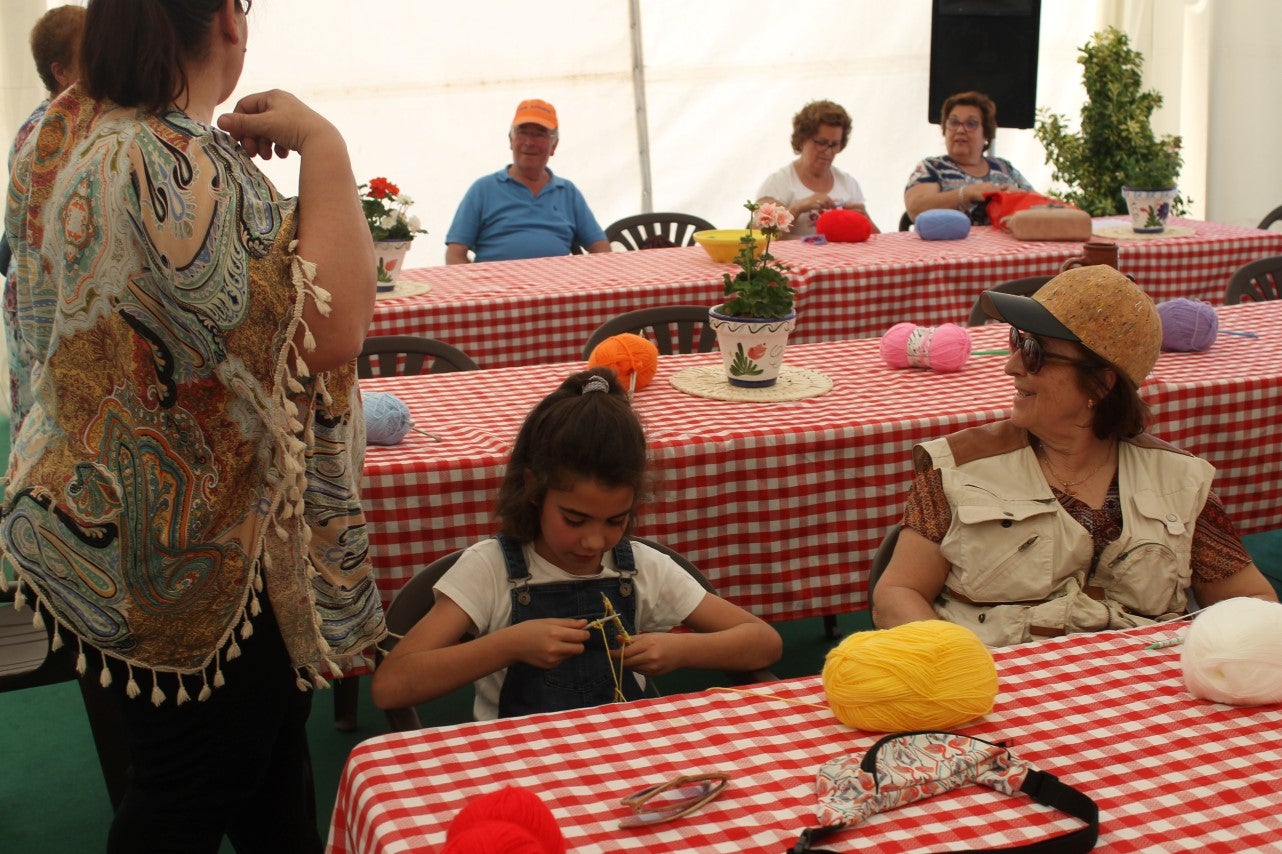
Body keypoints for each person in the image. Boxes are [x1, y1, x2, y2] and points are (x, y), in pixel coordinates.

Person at [2, 1, 386, 851]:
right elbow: (332, 329)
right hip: (190, 554)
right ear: (226, 22)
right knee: (192, 788)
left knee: (262, 768)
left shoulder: (69, 128)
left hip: (106, 520)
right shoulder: (168, 159)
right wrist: (324, 144)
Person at [871, 265, 1278, 646]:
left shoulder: (1180, 482)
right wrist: (954, 663)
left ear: (1100, 384)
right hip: (991, 679)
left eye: (1034, 352)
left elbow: (1254, 603)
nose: (1011, 366)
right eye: (1016, 341)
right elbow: (897, 593)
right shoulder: (956, 467)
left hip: (1142, 686)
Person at [371, 367, 782, 720]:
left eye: (616, 521)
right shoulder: (490, 569)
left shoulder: (641, 567)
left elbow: (764, 642)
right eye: (574, 519)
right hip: (520, 758)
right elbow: (391, 686)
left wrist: (682, 649)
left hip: (626, 749)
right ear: (533, 488)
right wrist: (507, 645)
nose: (593, 541)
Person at [4, 5, 85, 436]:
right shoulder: (45, 133)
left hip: (43, 290)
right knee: (38, 424)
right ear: (60, 71)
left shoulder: (68, 123)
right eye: (88, 55)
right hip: (37, 296)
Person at [444, 99, 611, 264]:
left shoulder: (567, 192)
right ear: (511, 140)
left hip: (556, 280)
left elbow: (601, 248)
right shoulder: (483, 190)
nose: (530, 142)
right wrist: (475, 281)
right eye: (523, 133)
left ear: (554, 146)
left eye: (540, 134)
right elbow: (454, 254)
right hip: (497, 281)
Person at [903, 90, 1034, 226]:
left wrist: (1019, 197)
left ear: (986, 133)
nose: (960, 130)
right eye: (953, 122)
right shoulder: (932, 167)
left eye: (971, 124)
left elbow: (1041, 206)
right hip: (950, 240)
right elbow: (915, 209)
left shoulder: (1004, 167)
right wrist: (966, 194)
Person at [756, 99, 879, 239]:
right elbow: (761, 236)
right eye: (821, 142)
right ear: (802, 140)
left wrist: (865, 218)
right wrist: (797, 208)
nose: (828, 151)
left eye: (834, 145)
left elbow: (878, 241)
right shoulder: (778, 183)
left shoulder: (848, 183)